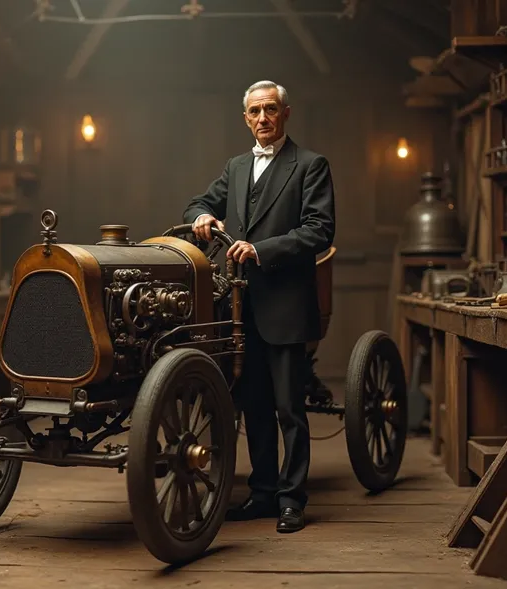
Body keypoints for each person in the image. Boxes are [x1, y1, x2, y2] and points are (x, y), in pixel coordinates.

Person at [182, 80, 335, 533]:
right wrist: (201, 218)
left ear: (285, 113)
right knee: (254, 405)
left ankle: (292, 500)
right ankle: (264, 493)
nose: (262, 119)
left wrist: (261, 249)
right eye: (254, 112)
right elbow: (198, 202)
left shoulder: (310, 165)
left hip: (287, 306)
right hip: (239, 311)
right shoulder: (235, 166)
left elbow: (319, 231)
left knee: (289, 408)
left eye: (270, 110)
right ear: (245, 118)